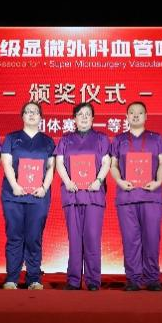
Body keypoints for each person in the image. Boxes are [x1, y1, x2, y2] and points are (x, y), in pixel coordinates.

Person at [109, 101, 162, 291]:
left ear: (146, 116)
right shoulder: (119, 139)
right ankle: (133, 279)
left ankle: (152, 279)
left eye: (140, 112)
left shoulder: (156, 138)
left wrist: (158, 181)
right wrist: (119, 181)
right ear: (126, 116)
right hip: (127, 197)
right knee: (130, 239)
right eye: (132, 112)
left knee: (152, 238)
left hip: (151, 196)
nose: (135, 115)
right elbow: (113, 165)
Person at [54, 102, 111, 291]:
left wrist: (99, 180)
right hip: (72, 194)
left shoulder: (102, 139)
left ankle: (93, 280)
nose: (84, 117)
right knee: (74, 239)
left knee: (92, 238)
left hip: (94, 195)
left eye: (88, 114)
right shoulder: (66, 140)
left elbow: (106, 162)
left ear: (93, 118)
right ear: (74, 119)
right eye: (80, 114)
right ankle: (73, 280)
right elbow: (59, 162)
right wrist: (67, 181)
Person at [0, 102, 55, 290]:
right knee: (14, 236)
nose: (31, 114)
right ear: (22, 116)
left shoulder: (47, 141)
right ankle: (11, 278)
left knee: (34, 237)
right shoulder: (11, 138)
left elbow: (51, 167)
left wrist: (44, 188)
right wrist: (15, 185)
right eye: (28, 112)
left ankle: (33, 278)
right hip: (13, 195)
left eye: (35, 112)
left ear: (41, 117)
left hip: (38, 196)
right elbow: (6, 163)